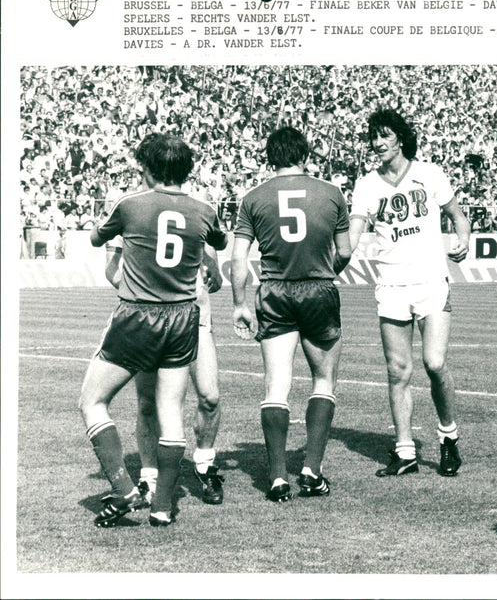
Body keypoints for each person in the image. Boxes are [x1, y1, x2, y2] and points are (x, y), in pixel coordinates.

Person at [79, 132, 227, 527]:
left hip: (137, 315)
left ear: (146, 167)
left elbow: (96, 238)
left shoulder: (130, 204)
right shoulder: (204, 209)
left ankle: (124, 487)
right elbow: (219, 240)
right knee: (170, 410)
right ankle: (163, 506)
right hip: (183, 317)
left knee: (92, 402)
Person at [231, 126, 351, 503]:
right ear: (305, 154)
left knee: (276, 385)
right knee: (323, 380)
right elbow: (345, 252)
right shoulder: (331, 193)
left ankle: (278, 479)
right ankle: (312, 471)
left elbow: (238, 259)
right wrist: (324, 271)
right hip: (318, 289)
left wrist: (240, 303)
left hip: (274, 291)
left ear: (271, 157)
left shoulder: (253, 197)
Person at [349, 109, 470, 477]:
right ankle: (405, 451)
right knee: (397, 370)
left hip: (432, 281)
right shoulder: (367, 184)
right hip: (390, 286)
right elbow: (354, 234)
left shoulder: (429, 173)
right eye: (374, 137)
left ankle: (448, 436)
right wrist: (335, 257)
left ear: (399, 138)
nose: (378, 143)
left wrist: (462, 239)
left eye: (384, 136)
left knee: (434, 364)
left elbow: (458, 215)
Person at [104, 238, 226, 506]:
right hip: (151, 320)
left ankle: (205, 465)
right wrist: (147, 293)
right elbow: (112, 271)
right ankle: (149, 476)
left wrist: (212, 271)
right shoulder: (129, 210)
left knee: (210, 396)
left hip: (196, 317)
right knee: (148, 402)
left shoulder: (196, 210)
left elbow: (213, 268)